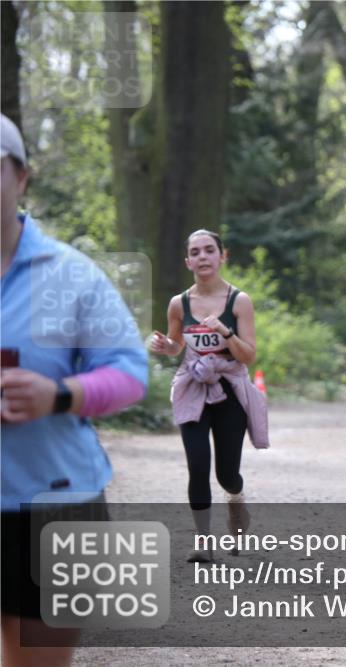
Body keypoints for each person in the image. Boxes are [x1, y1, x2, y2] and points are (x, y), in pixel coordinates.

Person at [1, 113, 148, 665]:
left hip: (55, 503)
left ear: (22, 178)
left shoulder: (72, 275)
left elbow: (130, 372)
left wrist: (56, 394)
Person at [149, 229, 268, 563]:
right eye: (196, 252)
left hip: (230, 390)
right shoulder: (180, 303)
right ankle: (203, 542)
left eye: (209, 250)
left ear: (222, 256)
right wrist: (164, 346)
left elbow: (248, 356)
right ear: (188, 261)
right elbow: (176, 345)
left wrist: (224, 331)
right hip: (193, 388)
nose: (203, 257)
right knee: (198, 465)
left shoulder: (238, 301)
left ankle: (237, 500)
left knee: (226, 474)